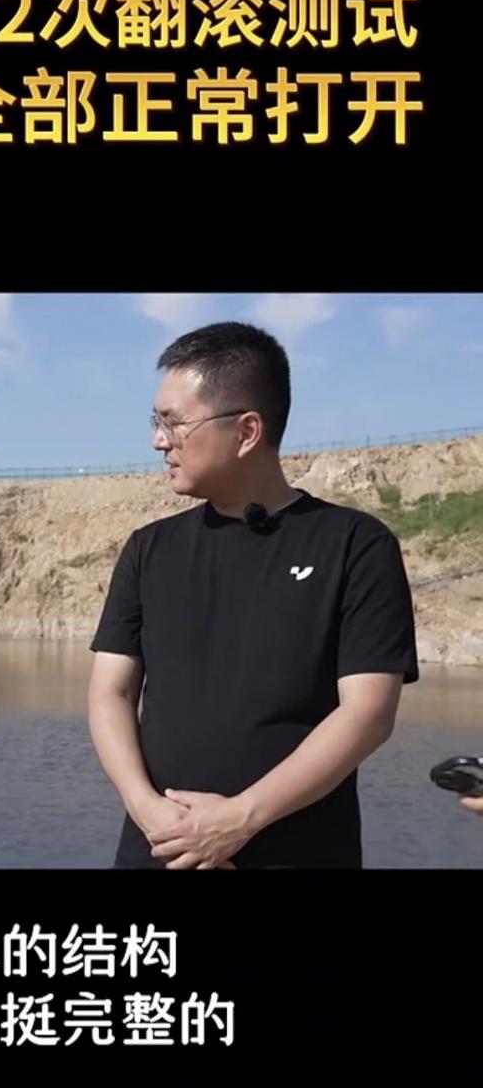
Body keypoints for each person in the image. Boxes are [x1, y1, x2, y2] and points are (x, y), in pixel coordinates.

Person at [88, 322, 419, 869]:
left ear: (247, 431)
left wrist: (239, 819)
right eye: (156, 422)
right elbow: (111, 693)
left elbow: (368, 714)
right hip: (158, 850)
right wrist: (147, 810)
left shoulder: (356, 544)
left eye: (174, 423)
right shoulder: (149, 549)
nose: (158, 441)